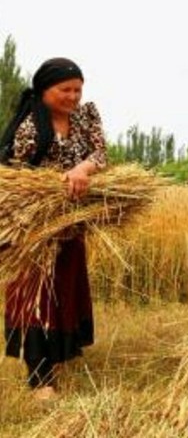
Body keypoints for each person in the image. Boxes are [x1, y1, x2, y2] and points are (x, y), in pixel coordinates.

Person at [1, 57, 107, 401]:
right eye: (65, 90)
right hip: (34, 230)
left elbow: (100, 154)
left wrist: (82, 170)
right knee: (35, 298)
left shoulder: (86, 116)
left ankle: (58, 360)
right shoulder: (30, 128)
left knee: (65, 294)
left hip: (70, 226)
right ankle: (39, 379)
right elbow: (15, 182)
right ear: (45, 90)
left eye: (78, 89)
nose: (73, 96)